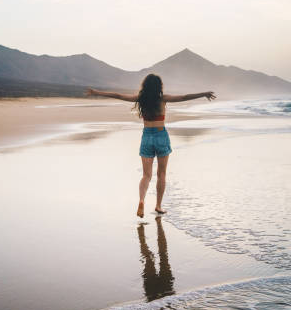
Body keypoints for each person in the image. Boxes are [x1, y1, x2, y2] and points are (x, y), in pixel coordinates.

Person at [85, 74, 215, 217]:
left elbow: (118, 95)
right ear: (159, 86)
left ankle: (141, 200)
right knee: (161, 174)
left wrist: (97, 92)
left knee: (146, 175)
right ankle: (158, 206)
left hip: (147, 136)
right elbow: (184, 97)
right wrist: (203, 94)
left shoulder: (140, 99)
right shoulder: (163, 99)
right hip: (161, 136)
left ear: (145, 85)